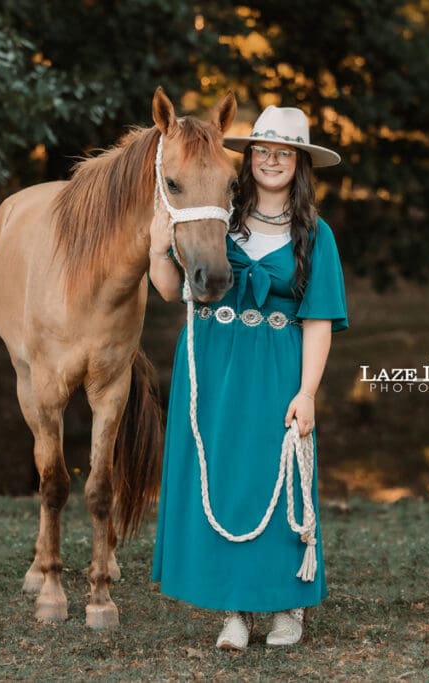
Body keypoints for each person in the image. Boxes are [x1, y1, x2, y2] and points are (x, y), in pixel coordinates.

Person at [148, 105, 349, 650]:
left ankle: (287, 607)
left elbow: (319, 321)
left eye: (285, 153)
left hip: (277, 366)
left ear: (299, 163)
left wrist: (306, 393)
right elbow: (169, 289)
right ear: (250, 157)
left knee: (277, 475)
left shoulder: (315, 234)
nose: (272, 161)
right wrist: (156, 235)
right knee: (223, 476)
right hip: (212, 362)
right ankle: (234, 611)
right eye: (263, 151)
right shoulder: (218, 217)